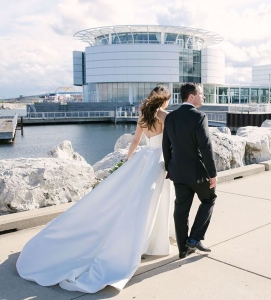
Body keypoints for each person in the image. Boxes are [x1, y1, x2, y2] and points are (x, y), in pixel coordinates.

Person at [16, 85, 173, 293]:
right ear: (164, 100)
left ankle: (147, 239)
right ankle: (153, 240)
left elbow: (135, 140)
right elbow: (171, 142)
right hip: (160, 160)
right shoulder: (165, 116)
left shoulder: (143, 115)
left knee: (140, 200)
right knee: (155, 200)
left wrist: (127, 163)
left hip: (144, 159)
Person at [162, 82, 217, 259]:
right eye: (201, 94)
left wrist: (170, 168)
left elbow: (166, 146)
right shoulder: (199, 117)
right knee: (209, 200)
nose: (203, 97)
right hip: (198, 174)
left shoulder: (170, 118)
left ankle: (183, 249)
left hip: (178, 173)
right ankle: (194, 238)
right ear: (191, 97)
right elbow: (206, 147)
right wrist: (212, 173)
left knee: (181, 211)